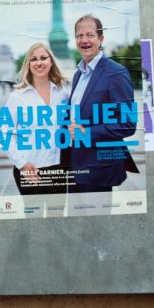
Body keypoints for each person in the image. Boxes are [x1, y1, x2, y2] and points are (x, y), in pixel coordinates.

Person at [66, 14, 137, 193]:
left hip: (98, 170)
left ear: (101, 39)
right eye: (79, 36)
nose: (84, 40)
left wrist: (86, 132)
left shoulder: (116, 73)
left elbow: (128, 124)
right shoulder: (79, 74)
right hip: (76, 166)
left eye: (90, 35)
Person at [1, 43, 70, 195]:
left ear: (51, 62)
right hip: (29, 170)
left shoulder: (63, 94)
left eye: (43, 58)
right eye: (34, 59)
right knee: (33, 217)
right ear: (28, 64)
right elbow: (5, 133)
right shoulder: (17, 97)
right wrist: (22, 164)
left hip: (57, 169)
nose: (39, 63)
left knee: (56, 216)